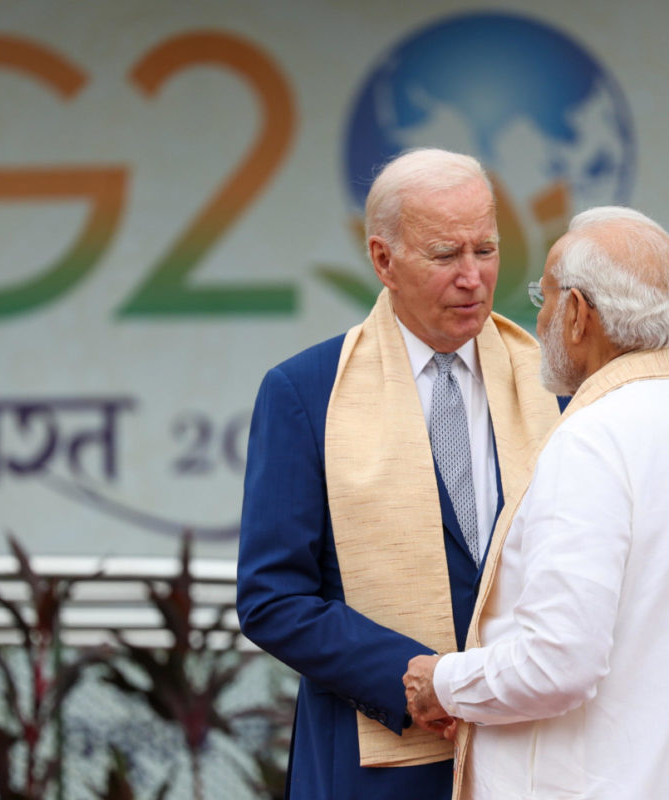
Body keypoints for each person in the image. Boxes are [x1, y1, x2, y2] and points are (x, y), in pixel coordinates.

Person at [403, 206, 669, 799]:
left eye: (545, 295)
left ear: (577, 315)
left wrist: (443, 681)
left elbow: (558, 663)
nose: (540, 314)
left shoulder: (593, 439)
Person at [236, 148, 562, 799]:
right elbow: (272, 596)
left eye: (486, 250)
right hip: (375, 765)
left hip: (533, 756)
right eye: (445, 255)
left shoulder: (552, 386)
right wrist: (411, 679)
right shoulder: (305, 392)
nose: (472, 277)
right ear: (383, 260)